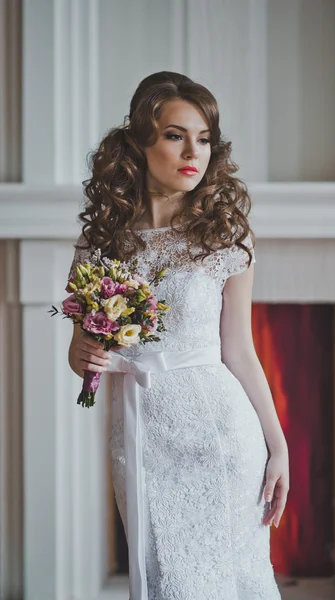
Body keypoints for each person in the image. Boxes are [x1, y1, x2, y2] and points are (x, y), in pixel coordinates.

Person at [67, 71, 289, 600]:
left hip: (220, 434)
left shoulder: (224, 235)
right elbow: (83, 356)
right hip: (140, 436)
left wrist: (277, 448)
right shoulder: (100, 241)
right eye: (175, 134)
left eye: (205, 138)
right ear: (140, 142)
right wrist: (80, 353)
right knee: (167, 580)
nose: (195, 151)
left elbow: (240, 351)